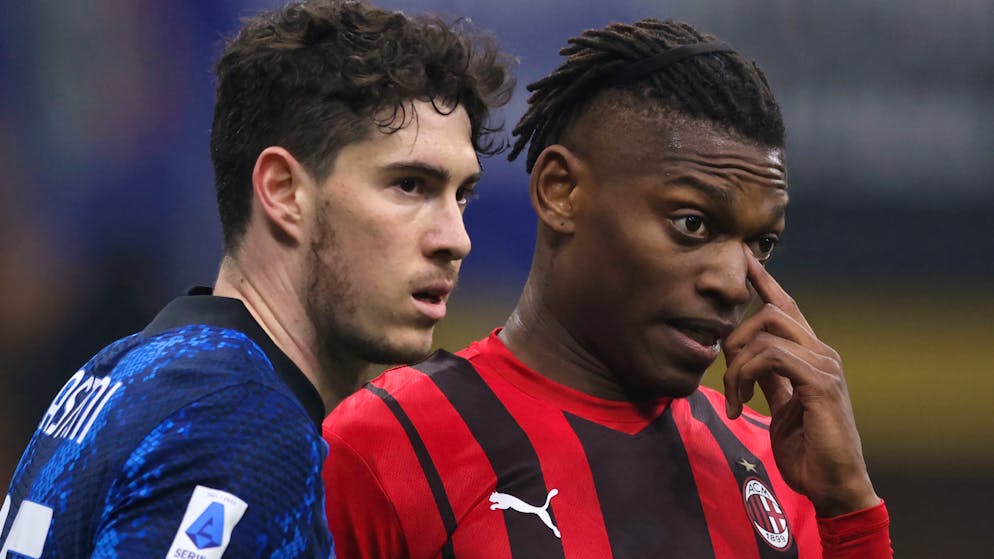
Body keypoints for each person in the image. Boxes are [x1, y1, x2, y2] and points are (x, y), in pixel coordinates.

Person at [322, 18, 893, 558]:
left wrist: (849, 508)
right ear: (560, 191)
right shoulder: (385, 447)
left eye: (761, 244)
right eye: (691, 223)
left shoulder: (781, 468)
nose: (732, 282)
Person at [0, 0, 513, 556]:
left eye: (461, 195)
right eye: (410, 185)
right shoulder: (243, 425)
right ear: (283, 191)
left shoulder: (122, 369)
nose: (456, 238)